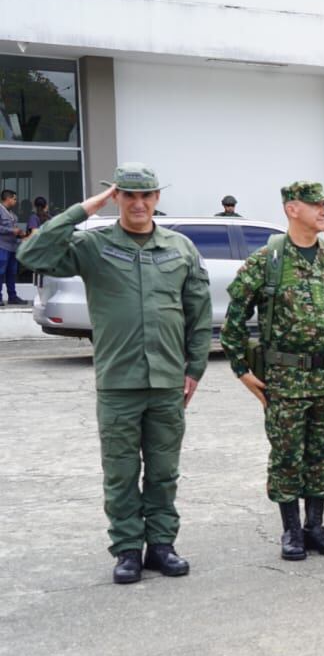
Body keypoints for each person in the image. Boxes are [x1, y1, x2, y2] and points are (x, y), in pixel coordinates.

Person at [17, 164, 211, 583]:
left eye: (146, 196)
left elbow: (198, 314)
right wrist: (82, 211)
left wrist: (194, 368)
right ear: (116, 199)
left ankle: (161, 545)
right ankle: (126, 549)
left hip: (166, 382)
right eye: (128, 196)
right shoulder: (93, 245)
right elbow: (31, 255)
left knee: (163, 470)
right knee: (121, 471)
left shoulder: (180, 248)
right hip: (118, 381)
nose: (138, 204)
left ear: (158, 198)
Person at [222, 181, 324, 560]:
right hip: (284, 380)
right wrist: (242, 369)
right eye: (314, 205)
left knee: (323, 454)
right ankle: (291, 531)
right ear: (292, 209)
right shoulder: (268, 261)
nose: (323, 211)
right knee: (288, 456)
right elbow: (234, 320)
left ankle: (315, 526)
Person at [0, 189, 25, 305]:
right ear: (8, 199)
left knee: (12, 273)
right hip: (2, 247)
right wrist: (11, 230)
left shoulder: (12, 214)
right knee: (0, 272)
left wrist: (20, 234)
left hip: (12, 248)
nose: (16, 201)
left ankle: (12, 297)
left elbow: (14, 231)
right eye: (14, 199)